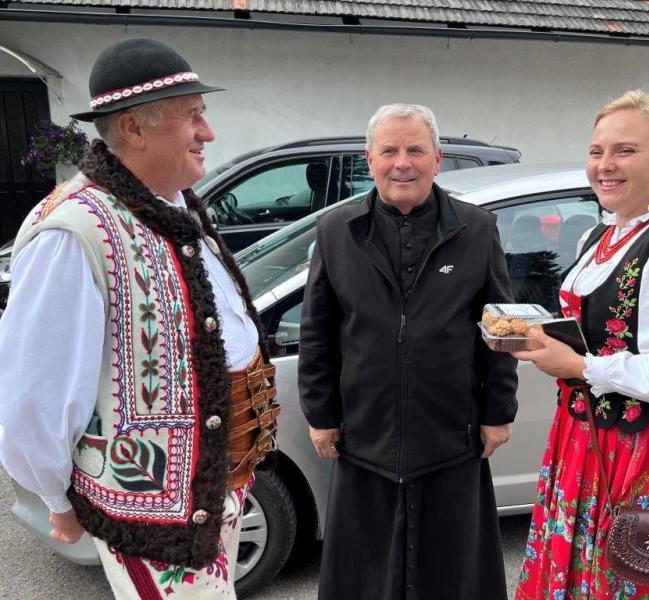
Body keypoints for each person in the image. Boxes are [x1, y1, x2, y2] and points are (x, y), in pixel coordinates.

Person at [0, 38, 279, 599]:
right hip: (153, 513)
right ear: (132, 128)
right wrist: (55, 497)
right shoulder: (74, 231)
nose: (208, 132)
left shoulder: (172, 202)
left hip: (213, 486)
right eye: (192, 115)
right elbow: (34, 394)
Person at [514, 90, 649, 600]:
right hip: (586, 436)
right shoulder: (600, 235)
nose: (605, 165)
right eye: (597, 151)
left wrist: (583, 366)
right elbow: (603, 330)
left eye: (625, 150)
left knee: (635, 578)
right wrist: (549, 339)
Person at [298, 103, 518, 600]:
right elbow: (317, 334)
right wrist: (321, 416)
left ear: (437, 159)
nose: (403, 163)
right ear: (369, 160)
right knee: (366, 577)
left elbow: (500, 330)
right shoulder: (336, 231)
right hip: (365, 438)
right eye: (389, 151)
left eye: (415, 150)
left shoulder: (476, 229)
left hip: (451, 438)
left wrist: (498, 412)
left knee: (453, 576)